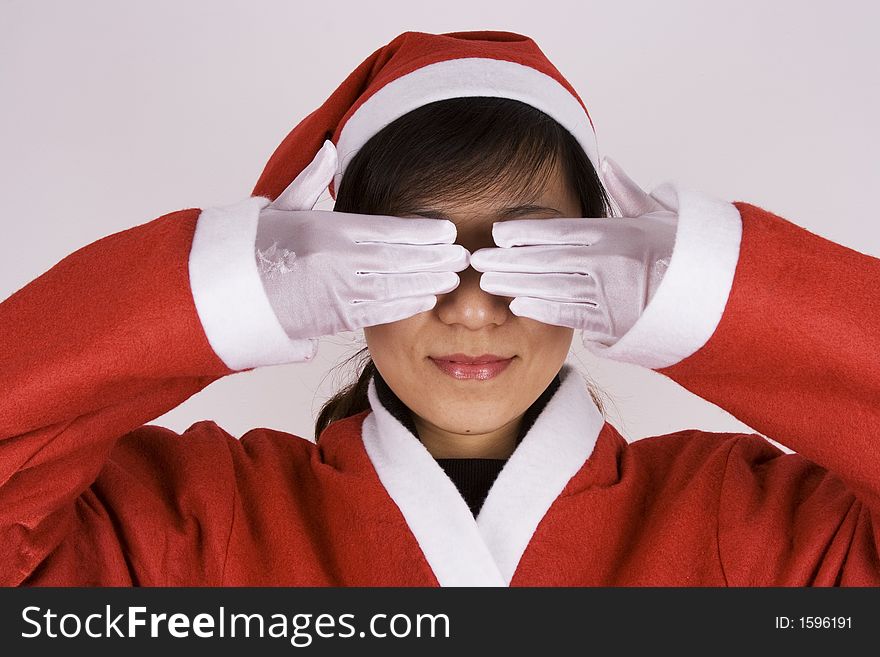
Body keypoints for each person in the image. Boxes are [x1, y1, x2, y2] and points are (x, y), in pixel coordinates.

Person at [1, 30, 877, 587]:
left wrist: (718, 294)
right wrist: (221, 289)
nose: (470, 306)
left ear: (603, 257)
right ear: (326, 267)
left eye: (521, 249)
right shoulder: (192, 525)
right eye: (410, 251)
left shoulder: (750, 525)